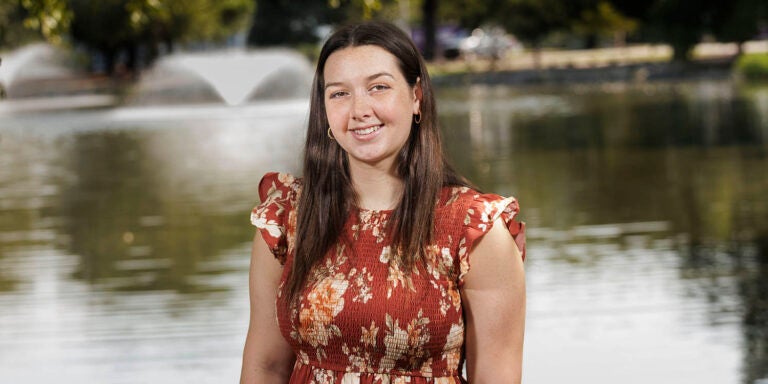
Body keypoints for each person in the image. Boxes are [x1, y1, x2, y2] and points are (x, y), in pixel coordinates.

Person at [240, 20, 526, 384]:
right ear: (323, 108)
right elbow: (265, 367)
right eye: (339, 94)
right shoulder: (287, 220)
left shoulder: (473, 230)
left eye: (379, 87)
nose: (360, 109)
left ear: (416, 97)